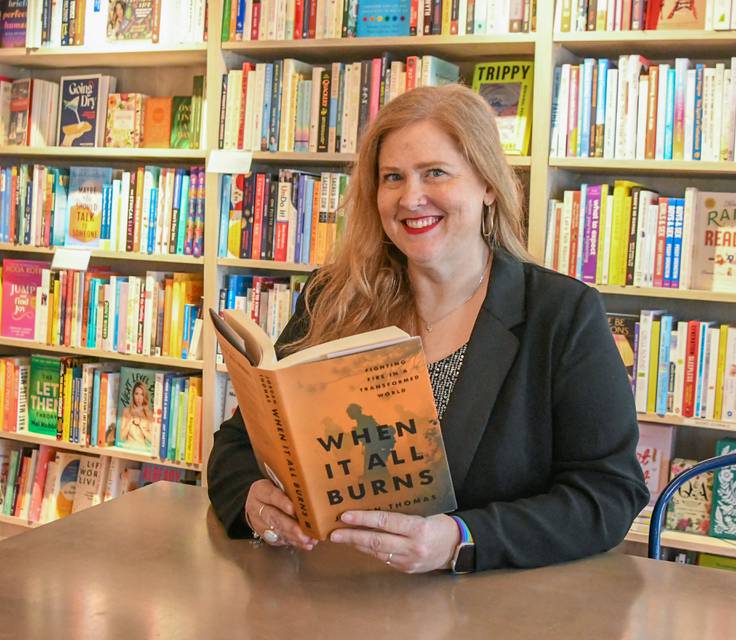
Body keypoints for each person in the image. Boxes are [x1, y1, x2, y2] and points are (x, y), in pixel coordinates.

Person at [208, 84, 649, 573]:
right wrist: (254, 500)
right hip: (332, 592)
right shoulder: (334, 298)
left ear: (487, 185)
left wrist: (461, 540)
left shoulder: (561, 314)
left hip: (491, 609)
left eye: (435, 173)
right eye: (392, 177)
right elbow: (235, 446)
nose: (411, 198)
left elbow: (610, 494)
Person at [119, 380, 154, 450]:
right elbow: (121, 437)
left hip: (142, 449)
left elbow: (152, 439)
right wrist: (130, 421)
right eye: (136, 394)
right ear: (133, 395)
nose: (139, 397)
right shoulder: (126, 411)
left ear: (145, 396)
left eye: (142, 394)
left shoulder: (149, 413)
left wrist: (140, 425)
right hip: (128, 448)